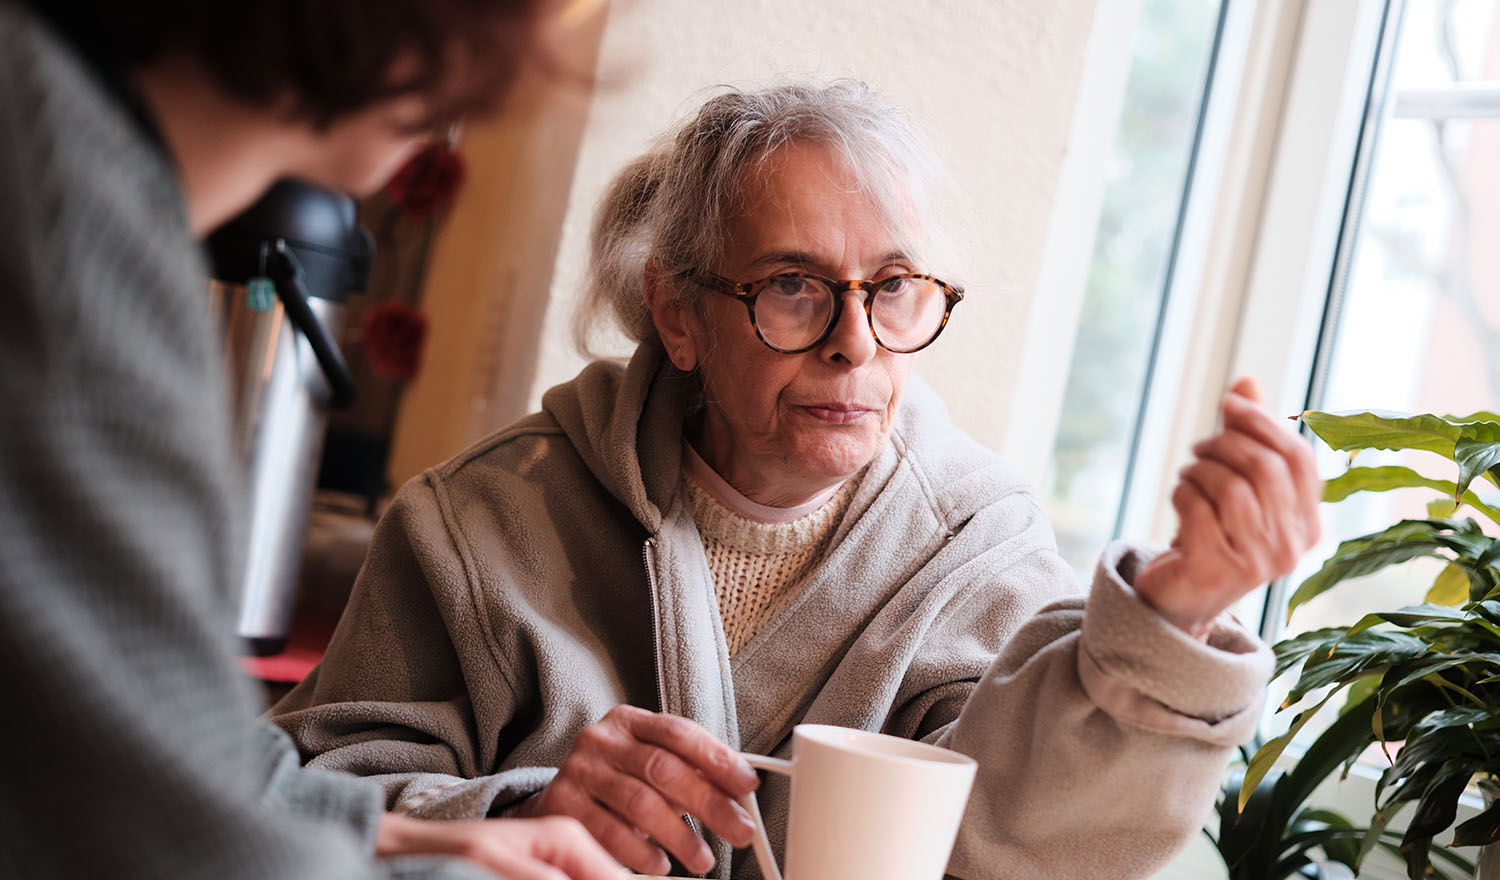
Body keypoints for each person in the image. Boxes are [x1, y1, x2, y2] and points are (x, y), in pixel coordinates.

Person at [270, 81, 1323, 879]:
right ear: (677, 313)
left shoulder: (974, 546)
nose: (856, 343)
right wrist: (517, 813)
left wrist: (1178, 605)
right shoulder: (480, 520)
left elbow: (1029, 834)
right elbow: (288, 802)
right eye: (793, 287)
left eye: (895, 287)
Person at [0, 1, 624, 878]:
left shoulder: (64, 137)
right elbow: (170, 842)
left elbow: (167, 736)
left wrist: (404, 832)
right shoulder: (65, 226)